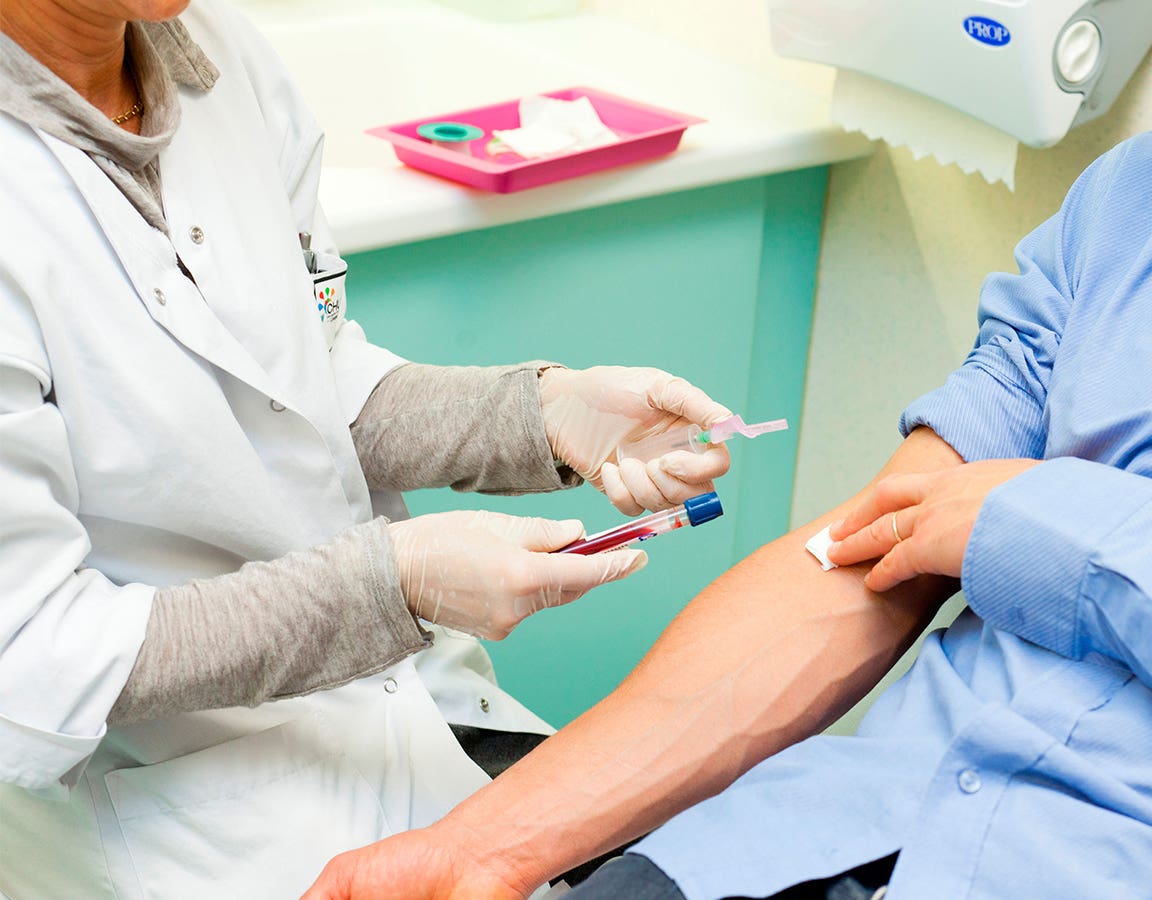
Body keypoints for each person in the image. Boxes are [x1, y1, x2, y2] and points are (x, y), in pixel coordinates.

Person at [305, 0, 1152, 896]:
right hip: (809, 847)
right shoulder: (1149, 203)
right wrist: (495, 846)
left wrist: (1053, 525)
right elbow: (868, 549)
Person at [0, 0, 737, 896]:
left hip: (400, 711)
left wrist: (538, 415)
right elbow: (34, 656)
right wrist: (394, 585)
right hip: (155, 801)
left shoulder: (219, 55)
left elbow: (310, 382)